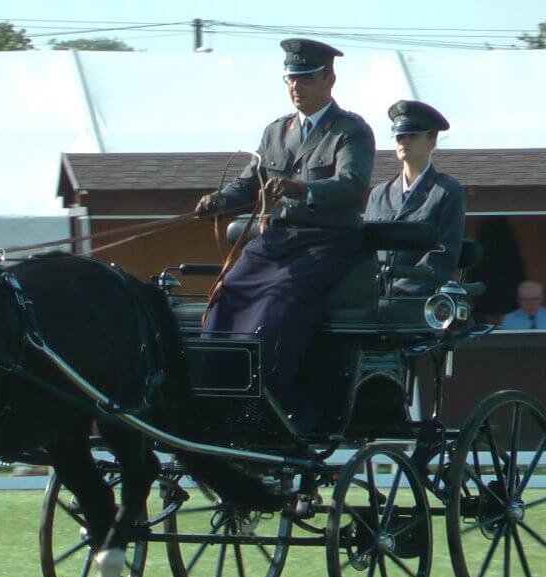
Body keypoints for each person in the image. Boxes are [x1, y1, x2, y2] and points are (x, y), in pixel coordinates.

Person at [193, 38, 375, 428]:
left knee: (274, 309)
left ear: (329, 78)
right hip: (275, 242)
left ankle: (281, 405)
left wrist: (303, 189)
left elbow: (352, 184)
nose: (297, 86)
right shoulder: (275, 133)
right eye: (291, 79)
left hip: (326, 244)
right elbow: (247, 185)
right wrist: (217, 202)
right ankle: (216, 396)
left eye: (306, 78)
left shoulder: (350, 131)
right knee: (225, 298)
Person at [364, 100, 466, 296]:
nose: (404, 141)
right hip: (375, 298)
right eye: (400, 136)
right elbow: (365, 251)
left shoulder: (446, 191)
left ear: (431, 141)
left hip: (421, 301)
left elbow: (444, 254)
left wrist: (404, 288)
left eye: (412, 135)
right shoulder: (379, 194)